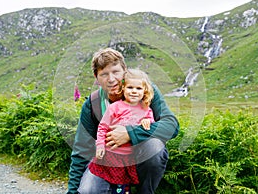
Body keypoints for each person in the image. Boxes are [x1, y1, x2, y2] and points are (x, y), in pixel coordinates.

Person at [67, 48, 180, 194]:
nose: (111, 79)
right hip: (107, 162)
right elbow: (81, 150)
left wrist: (130, 133)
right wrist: (72, 191)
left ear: (124, 72)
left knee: (155, 146)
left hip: (138, 157)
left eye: (116, 72)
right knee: (88, 191)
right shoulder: (93, 103)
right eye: (104, 74)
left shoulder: (145, 92)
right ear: (97, 78)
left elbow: (171, 125)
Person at [88, 69, 155, 193]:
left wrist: (147, 122)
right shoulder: (115, 107)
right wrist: (100, 146)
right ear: (123, 88)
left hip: (129, 158)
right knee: (109, 186)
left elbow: (150, 126)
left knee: (123, 188)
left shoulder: (146, 109)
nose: (134, 91)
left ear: (145, 91)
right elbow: (102, 127)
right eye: (130, 87)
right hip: (110, 155)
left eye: (139, 88)